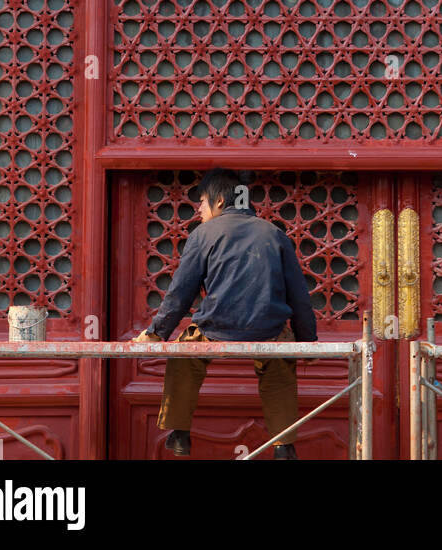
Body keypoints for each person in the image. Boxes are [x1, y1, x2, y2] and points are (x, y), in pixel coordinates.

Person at [132, 168, 317, 460]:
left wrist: (156, 332)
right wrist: (307, 342)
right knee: (280, 364)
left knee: (184, 354)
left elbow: (180, 293)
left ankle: (179, 432)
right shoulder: (275, 234)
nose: (199, 208)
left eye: (202, 201)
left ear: (219, 201)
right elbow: (299, 296)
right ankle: (284, 445)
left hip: (215, 328)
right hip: (269, 329)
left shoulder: (203, 234)